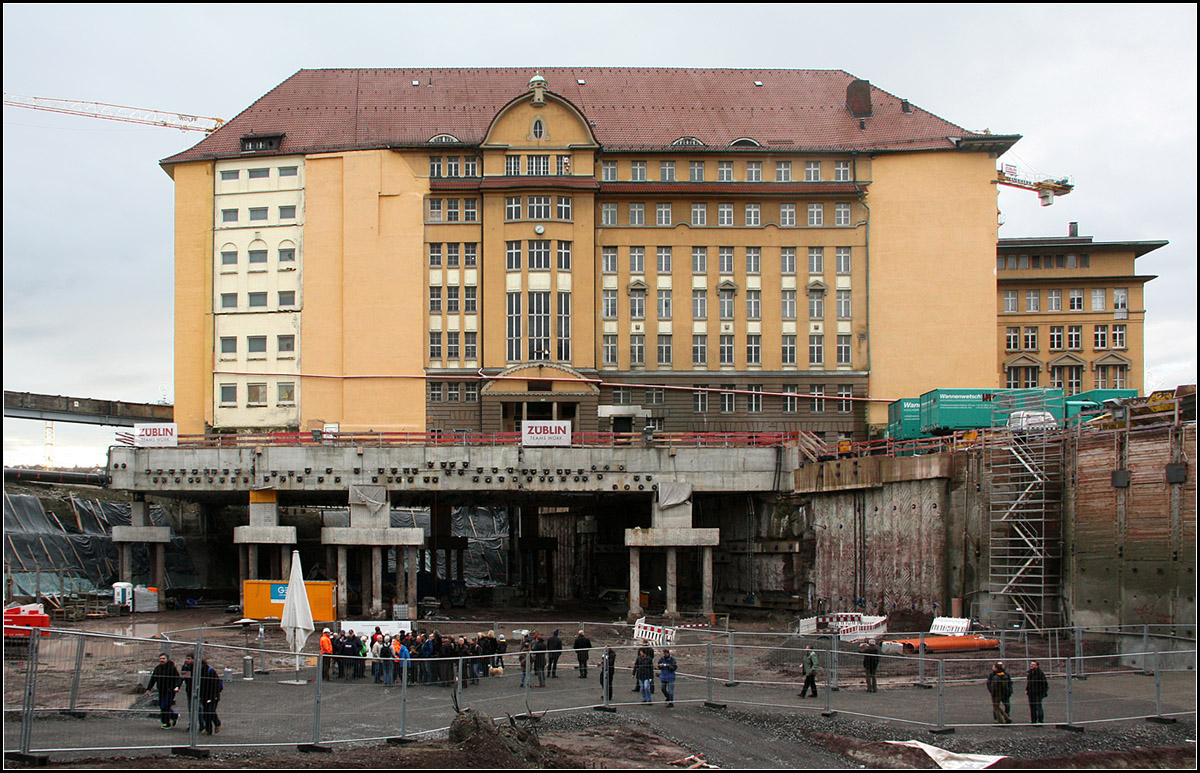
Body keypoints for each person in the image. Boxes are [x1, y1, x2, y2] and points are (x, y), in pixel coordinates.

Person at [145, 653, 181, 728]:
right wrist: (148, 688)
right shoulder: (157, 668)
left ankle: (165, 723)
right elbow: (153, 679)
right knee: (162, 706)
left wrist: (177, 686)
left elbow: (178, 678)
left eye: (163, 659)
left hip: (170, 690)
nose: (162, 660)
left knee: (165, 706)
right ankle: (174, 716)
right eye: (160, 658)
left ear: (167, 659)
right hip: (161, 690)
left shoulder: (172, 668)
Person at [198, 659, 222, 735]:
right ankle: (208, 729)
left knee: (210, 710)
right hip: (203, 696)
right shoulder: (198, 672)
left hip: (212, 696)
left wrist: (213, 696)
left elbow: (216, 685)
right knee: (205, 713)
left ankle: (217, 723)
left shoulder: (210, 671)